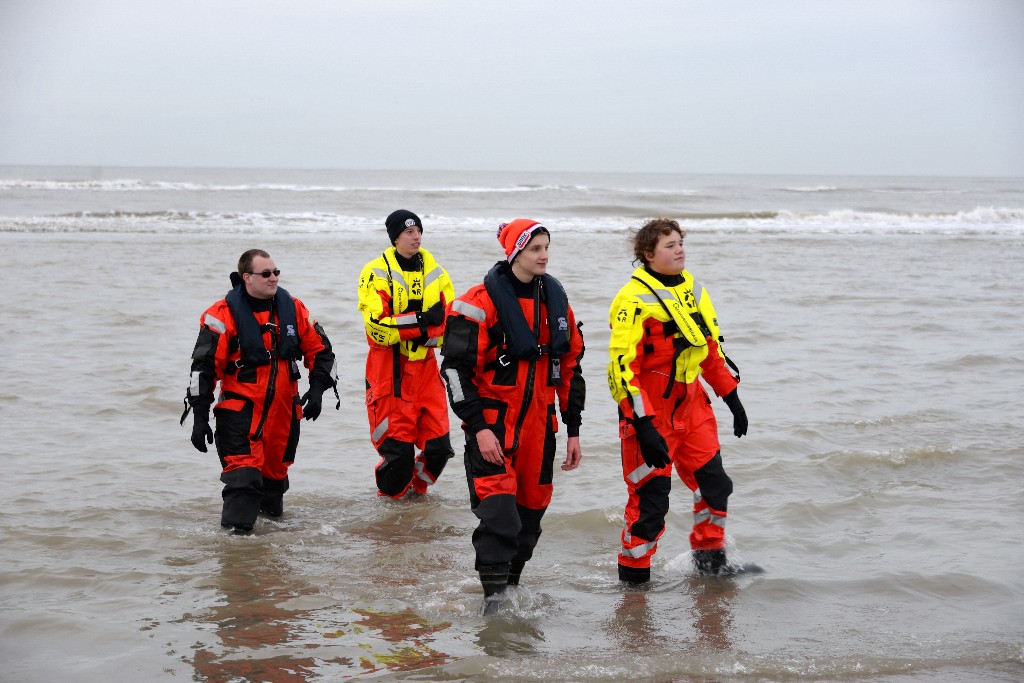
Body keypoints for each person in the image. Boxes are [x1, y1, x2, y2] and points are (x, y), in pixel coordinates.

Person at [441, 218, 586, 607]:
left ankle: (511, 593)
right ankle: (494, 606)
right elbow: (454, 371)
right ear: (515, 252)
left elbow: (571, 368)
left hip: (542, 431)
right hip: (493, 428)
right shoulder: (477, 303)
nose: (544, 255)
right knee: (500, 519)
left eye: (546, 247)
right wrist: (478, 428)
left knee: (529, 523)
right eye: (535, 248)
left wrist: (573, 429)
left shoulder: (557, 303)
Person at [607, 218, 748, 580]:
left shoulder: (694, 290)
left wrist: (732, 398)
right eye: (670, 245)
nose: (679, 249)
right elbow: (623, 368)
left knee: (715, 486)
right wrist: (643, 423)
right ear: (648, 254)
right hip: (650, 412)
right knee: (650, 503)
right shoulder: (632, 299)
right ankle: (634, 585)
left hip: (693, 407)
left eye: (680, 242)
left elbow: (710, 349)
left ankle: (710, 561)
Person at [181, 249, 338, 534]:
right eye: (266, 273)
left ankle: (265, 562)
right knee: (243, 481)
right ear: (247, 278)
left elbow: (323, 353)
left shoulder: (295, 309)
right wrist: (200, 418)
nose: (273, 278)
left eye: (276, 272)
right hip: (240, 415)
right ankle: (233, 555)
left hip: (284, 416)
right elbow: (202, 370)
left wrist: (317, 391)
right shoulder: (220, 315)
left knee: (273, 489)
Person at [357, 210, 456, 498]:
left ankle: (416, 495)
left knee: (440, 448)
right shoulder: (375, 272)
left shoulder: (435, 270)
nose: (416, 237)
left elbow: (449, 325)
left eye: (418, 231)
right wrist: (423, 321)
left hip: (425, 369)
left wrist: (412, 326)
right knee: (397, 456)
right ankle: (390, 513)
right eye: (409, 232)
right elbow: (377, 330)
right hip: (389, 370)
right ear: (395, 237)